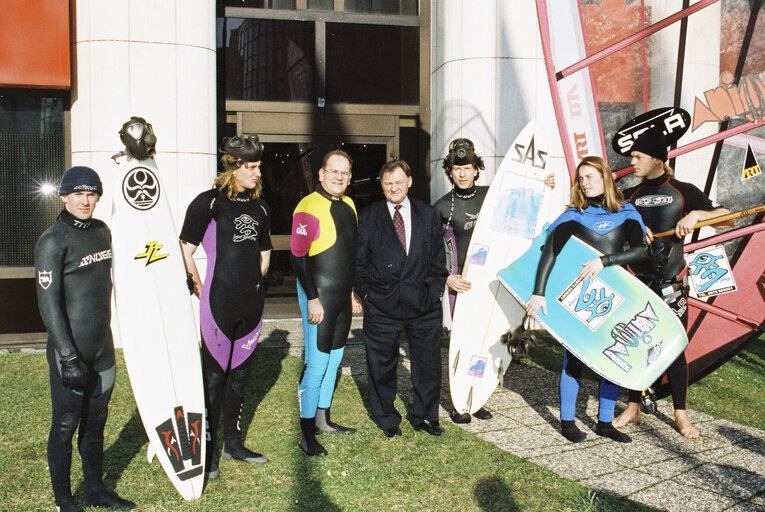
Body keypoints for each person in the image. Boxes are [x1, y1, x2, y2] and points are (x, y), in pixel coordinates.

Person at [613, 131, 730, 439]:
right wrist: (635, 232)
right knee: (637, 346)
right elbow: (611, 233)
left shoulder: (682, 191)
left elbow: (728, 218)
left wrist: (698, 215)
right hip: (638, 283)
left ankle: (680, 415)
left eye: (638, 157)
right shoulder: (629, 195)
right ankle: (633, 406)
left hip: (672, 285)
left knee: (675, 347)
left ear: (657, 159)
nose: (632, 162)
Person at [525, 156, 649, 444]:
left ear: (606, 178)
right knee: (574, 358)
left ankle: (605, 422)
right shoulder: (573, 216)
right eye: (581, 178)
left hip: (615, 297)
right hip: (579, 298)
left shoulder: (626, 212)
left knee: (612, 355)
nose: (585, 182)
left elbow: (642, 250)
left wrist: (604, 261)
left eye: (591, 176)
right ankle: (568, 421)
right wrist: (538, 292)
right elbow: (549, 253)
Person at [35, 166, 135, 511]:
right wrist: (68, 356)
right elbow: (48, 305)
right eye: (78, 193)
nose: (85, 200)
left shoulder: (102, 232)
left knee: (96, 424)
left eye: (91, 193)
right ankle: (65, 501)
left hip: (102, 349)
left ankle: (95, 491)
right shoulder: (52, 241)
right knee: (65, 425)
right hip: (71, 351)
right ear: (64, 196)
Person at [434, 138, 555, 424]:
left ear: (477, 169)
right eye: (456, 168)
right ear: (449, 171)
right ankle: (459, 399)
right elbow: (431, 250)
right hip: (464, 285)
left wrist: (543, 185)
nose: (462, 173)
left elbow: (525, 208)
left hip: (493, 282)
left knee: (491, 339)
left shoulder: (495, 195)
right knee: (465, 340)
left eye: (467, 167)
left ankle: (478, 397)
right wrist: (447, 278)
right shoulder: (441, 207)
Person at [180, 135, 272, 479]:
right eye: (252, 166)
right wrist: (199, 286)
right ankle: (208, 451)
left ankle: (233, 443)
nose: (258, 172)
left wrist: (254, 282)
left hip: (251, 305)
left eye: (259, 165)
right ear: (233, 167)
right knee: (214, 379)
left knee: (240, 377)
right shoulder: (209, 203)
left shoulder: (262, 206)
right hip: (218, 303)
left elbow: (264, 254)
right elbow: (185, 247)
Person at [356, 159, 449, 438]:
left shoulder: (427, 213)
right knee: (381, 366)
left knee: (428, 365)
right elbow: (359, 263)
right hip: (383, 306)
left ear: (409, 181)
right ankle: (387, 419)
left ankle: (426, 416)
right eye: (387, 183)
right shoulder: (369, 216)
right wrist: (367, 295)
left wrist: (435, 292)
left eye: (398, 181)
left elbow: (437, 258)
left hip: (423, 305)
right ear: (381, 186)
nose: (393, 187)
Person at [290, 149, 362, 457]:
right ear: (321, 173)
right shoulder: (308, 206)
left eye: (345, 173)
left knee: (334, 360)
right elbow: (298, 257)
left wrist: (350, 294)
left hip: (341, 298)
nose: (339, 177)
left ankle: (323, 421)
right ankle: (306, 435)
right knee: (317, 363)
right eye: (334, 171)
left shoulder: (349, 205)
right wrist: (313, 299)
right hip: (318, 296)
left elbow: (347, 257)